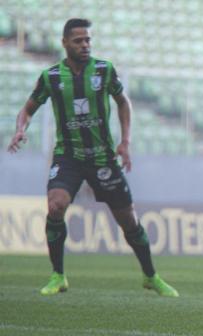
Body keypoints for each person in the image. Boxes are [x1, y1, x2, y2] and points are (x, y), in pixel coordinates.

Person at [7, 18, 178, 297]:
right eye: (79, 40)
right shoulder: (51, 77)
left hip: (102, 159)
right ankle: (58, 275)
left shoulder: (104, 70)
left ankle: (150, 275)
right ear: (65, 43)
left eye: (88, 40)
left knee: (129, 221)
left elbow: (124, 102)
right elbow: (27, 109)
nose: (85, 45)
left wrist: (125, 141)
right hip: (68, 157)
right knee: (56, 205)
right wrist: (19, 130)